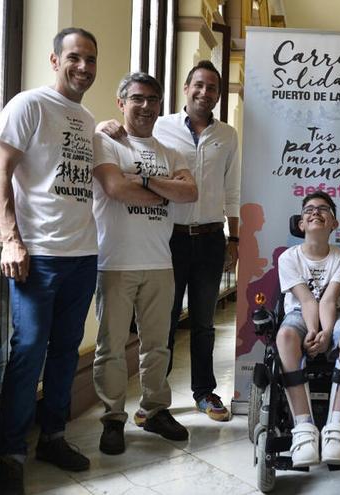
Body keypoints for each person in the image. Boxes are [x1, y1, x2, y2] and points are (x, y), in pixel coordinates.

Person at [0, 27, 100, 495]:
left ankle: (52, 437)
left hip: (83, 255)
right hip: (39, 257)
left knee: (64, 352)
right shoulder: (28, 104)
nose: (83, 67)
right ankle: (10, 457)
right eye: (75, 57)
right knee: (29, 352)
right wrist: (11, 239)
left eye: (90, 60)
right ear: (55, 61)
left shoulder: (87, 117)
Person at [99, 60, 240, 422]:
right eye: (199, 85)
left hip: (210, 237)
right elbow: (126, 142)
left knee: (205, 322)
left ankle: (204, 392)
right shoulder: (160, 125)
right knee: (164, 323)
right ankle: (157, 400)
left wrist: (234, 238)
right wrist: (103, 126)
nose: (204, 93)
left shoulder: (227, 136)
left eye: (212, 88)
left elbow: (230, 190)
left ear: (218, 95)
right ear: (185, 89)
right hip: (170, 240)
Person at [91, 72, 198, 455]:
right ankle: (113, 418)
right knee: (111, 346)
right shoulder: (105, 142)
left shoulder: (171, 153)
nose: (147, 106)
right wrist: (160, 188)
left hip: (159, 262)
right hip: (116, 262)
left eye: (153, 99)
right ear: (122, 103)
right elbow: (115, 189)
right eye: (138, 98)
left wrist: (144, 180)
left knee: (157, 345)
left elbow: (189, 192)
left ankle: (154, 411)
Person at [276, 191, 340, 467]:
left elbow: (327, 300)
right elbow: (305, 300)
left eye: (323, 209)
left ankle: (335, 430)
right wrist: (313, 331)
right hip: (298, 313)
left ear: (333, 223)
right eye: (309, 210)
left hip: (333, 313)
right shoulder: (288, 258)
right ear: (301, 224)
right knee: (286, 334)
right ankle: (303, 428)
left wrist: (325, 334)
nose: (315, 212)